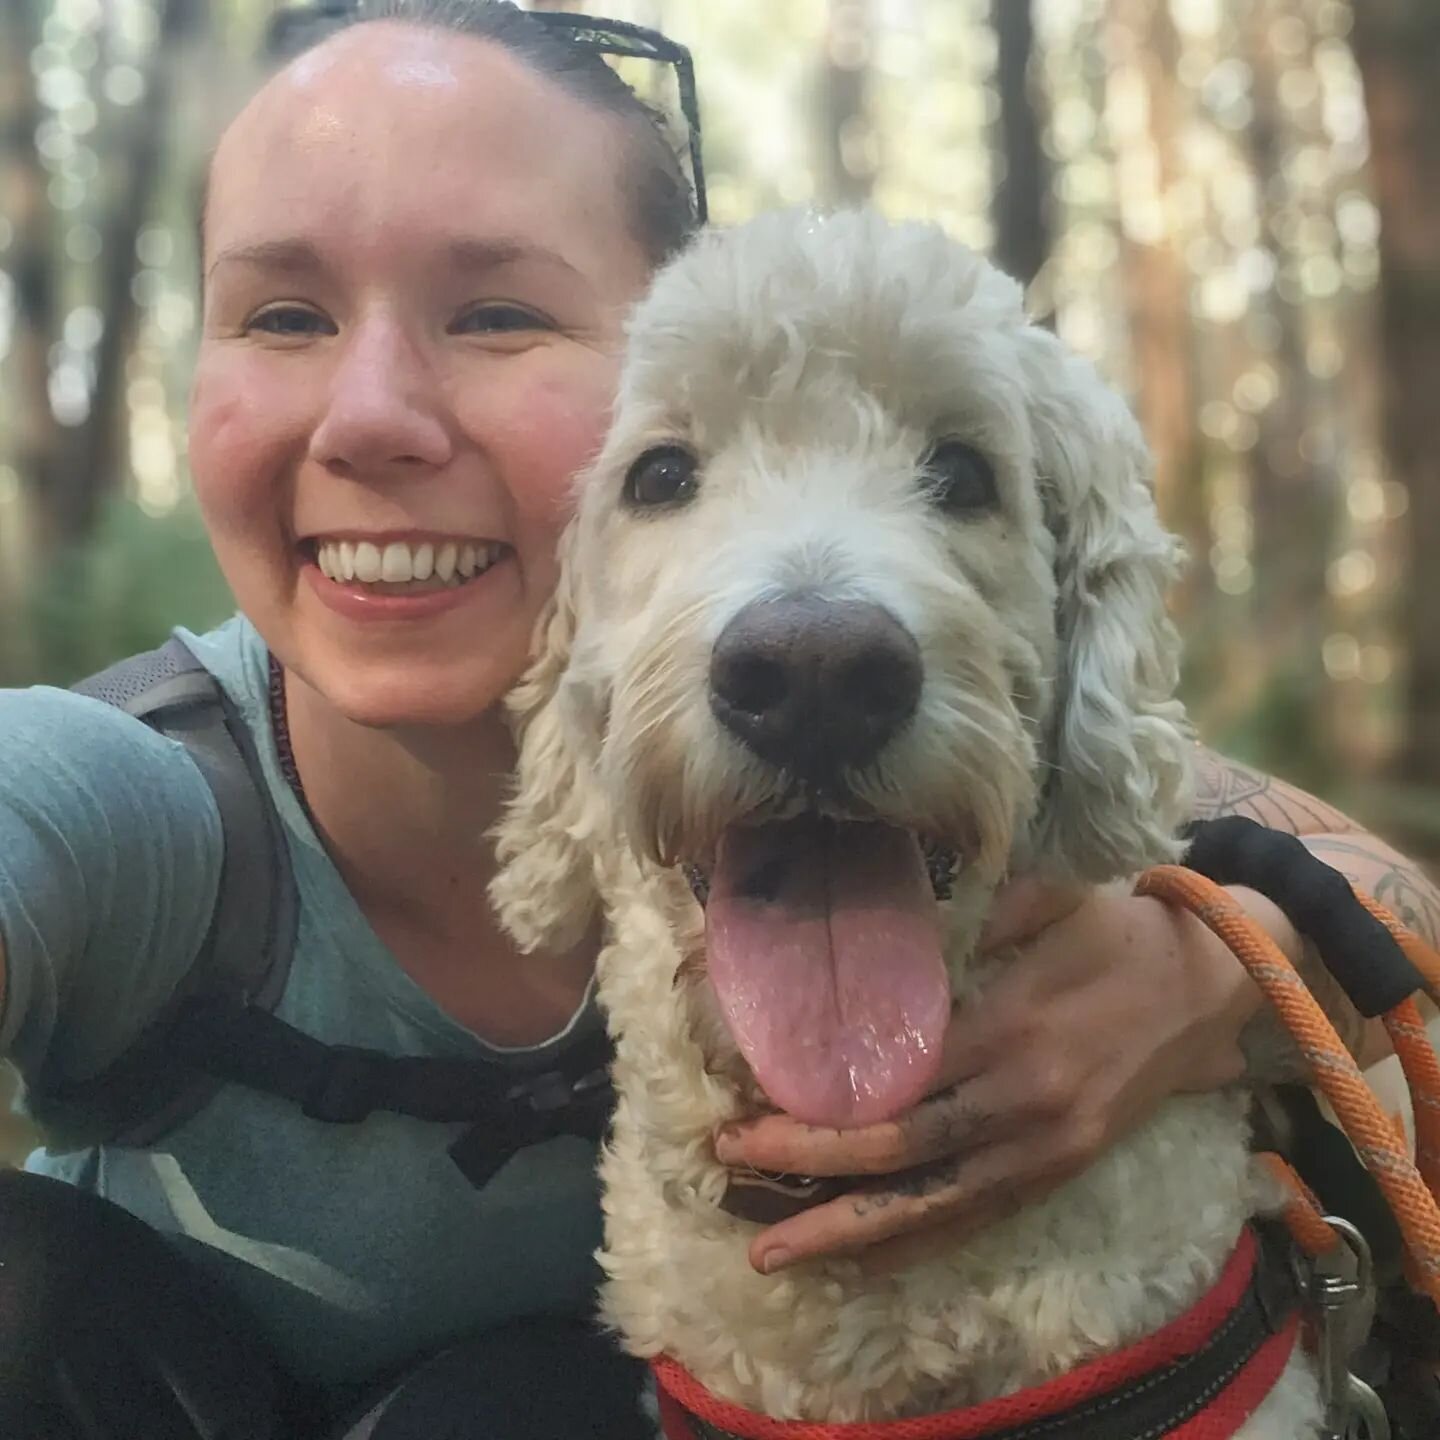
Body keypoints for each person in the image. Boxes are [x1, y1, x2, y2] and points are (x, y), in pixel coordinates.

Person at [0, 1, 1436, 1435]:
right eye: (283, 314)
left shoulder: (1064, 806)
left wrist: (1225, 978)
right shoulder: (139, 806)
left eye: (497, 310)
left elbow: (1384, 906)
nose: (370, 416)